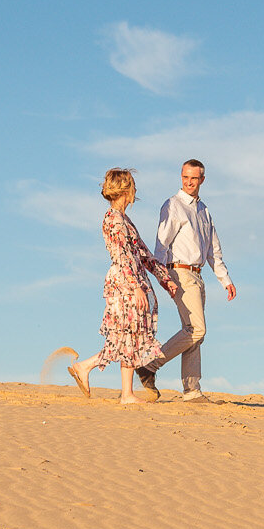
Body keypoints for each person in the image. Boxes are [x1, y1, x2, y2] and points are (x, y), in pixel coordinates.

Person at [69, 168, 181, 405]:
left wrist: (164, 278)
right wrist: (135, 286)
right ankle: (120, 389)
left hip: (130, 279)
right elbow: (122, 255)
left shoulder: (123, 219)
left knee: (129, 337)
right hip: (124, 282)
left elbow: (143, 253)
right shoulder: (114, 220)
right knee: (126, 335)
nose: (135, 190)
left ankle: (93, 372)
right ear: (125, 189)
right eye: (132, 185)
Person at [137, 158, 236, 401]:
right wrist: (162, 276)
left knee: (193, 332)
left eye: (194, 178)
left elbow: (214, 250)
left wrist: (225, 280)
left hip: (198, 274)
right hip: (179, 272)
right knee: (197, 329)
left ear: (202, 180)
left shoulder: (204, 210)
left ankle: (192, 390)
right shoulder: (172, 205)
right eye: (185, 177)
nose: (189, 182)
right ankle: (150, 365)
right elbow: (162, 243)